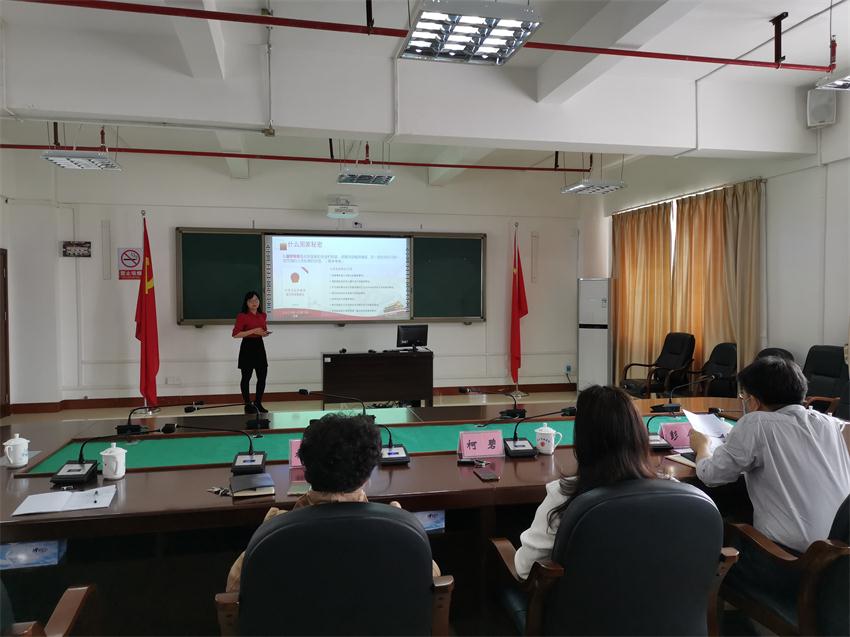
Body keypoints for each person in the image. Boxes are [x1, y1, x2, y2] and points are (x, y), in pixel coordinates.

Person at [226, 413, 440, 591]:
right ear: (368, 475)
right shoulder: (401, 531)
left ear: (306, 470)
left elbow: (234, 590)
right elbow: (432, 579)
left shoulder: (272, 536)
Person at [690, 355, 850, 553]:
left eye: (745, 397)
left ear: (754, 402)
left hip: (789, 557)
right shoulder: (829, 424)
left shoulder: (756, 423)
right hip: (840, 554)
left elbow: (712, 475)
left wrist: (702, 446)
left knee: (719, 522)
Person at [515, 385, 660, 579]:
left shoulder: (564, 496)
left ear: (583, 441)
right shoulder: (679, 493)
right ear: (639, 434)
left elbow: (525, 569)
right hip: (662, 606)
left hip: (582, 608)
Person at [232, 291, 270, 413]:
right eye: (251, 301)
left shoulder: (262, 315)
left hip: (259, 346)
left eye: (256, 300)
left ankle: (258, 403)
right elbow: (236, 334)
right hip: (247, 347)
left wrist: (263, 333)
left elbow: (263, 331)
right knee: (246, 377)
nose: (254, 303)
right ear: (246, 303)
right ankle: (248, 404)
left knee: (262, 376)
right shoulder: (242, 316)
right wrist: (253, 331)